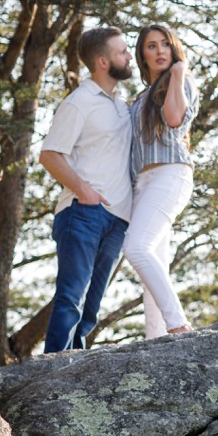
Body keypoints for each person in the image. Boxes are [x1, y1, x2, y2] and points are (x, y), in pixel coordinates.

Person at [39, 24, 135, 353]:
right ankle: (53, 370)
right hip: (83, 213)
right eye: (122, 51)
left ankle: (75, 368)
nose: (129, 55)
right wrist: (85, 191)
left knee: (91, 306)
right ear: (102, 62)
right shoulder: (79, 102)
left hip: (117, 219)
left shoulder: (122, 105)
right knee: (71, 297)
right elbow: (50, 154)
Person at [124, 21, 200, 338]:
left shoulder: (181, 84)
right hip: (142, 183)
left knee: (137, 249)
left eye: (165, 44)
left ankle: (178, 325)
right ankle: (156, 339)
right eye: (151, 46)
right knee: (154, 262)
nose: (159, 51)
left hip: (171, 173)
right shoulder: (140, 97)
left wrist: (179, 73)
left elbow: (172, 119)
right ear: (143, 54)